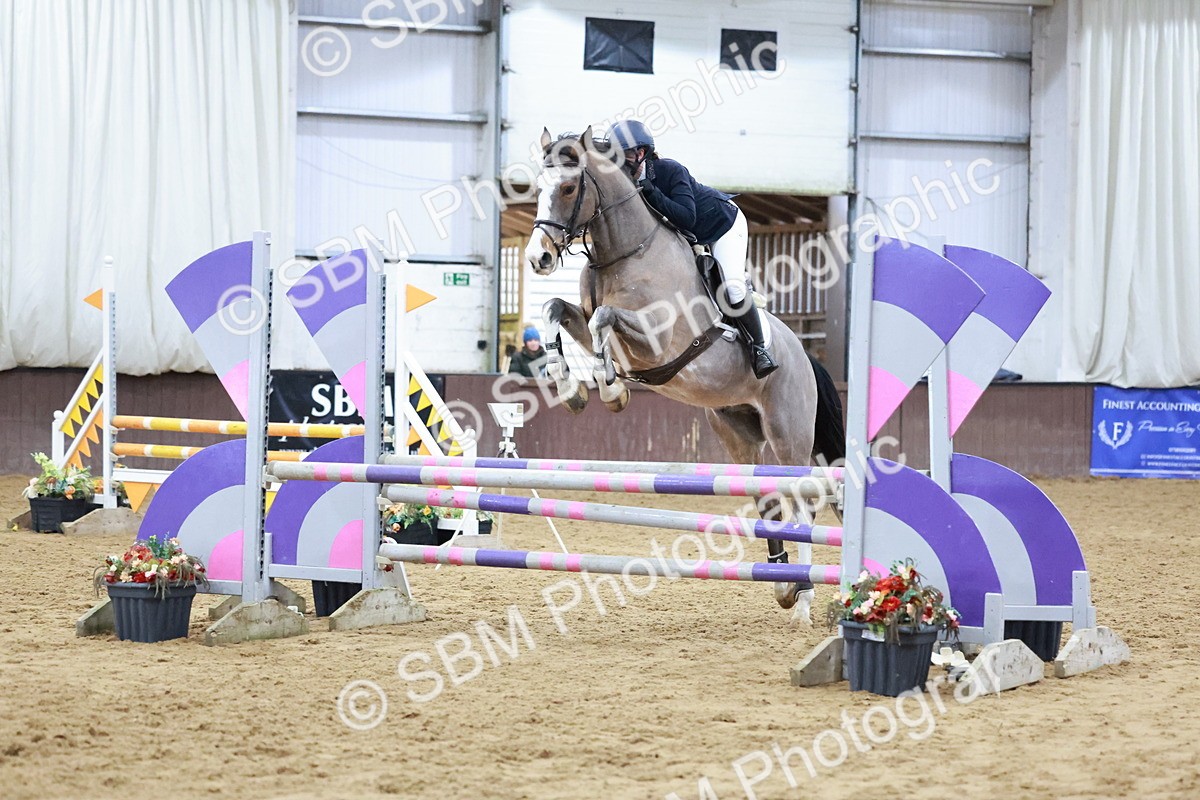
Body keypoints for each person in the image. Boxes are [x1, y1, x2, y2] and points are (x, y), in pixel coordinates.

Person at [608, 119, 778, 379]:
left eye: (622, 155)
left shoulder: (669, 171)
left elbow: (687, 217)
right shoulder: (624, 184)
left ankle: (759, 349)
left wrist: (650, 191)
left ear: (640, 154)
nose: (616, 161)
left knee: (732, 287)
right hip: (689, 238)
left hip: (723, 225)